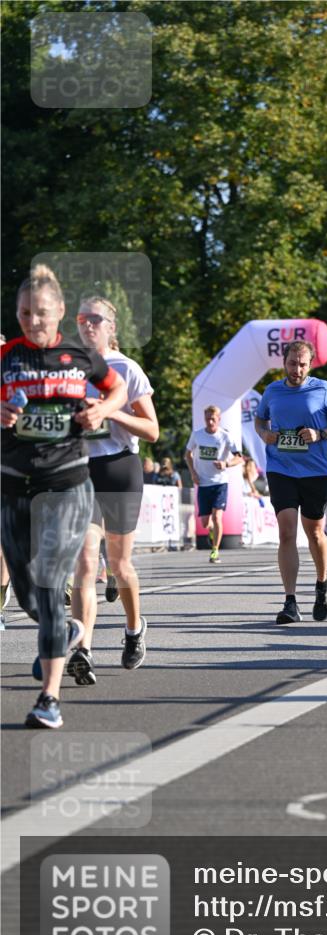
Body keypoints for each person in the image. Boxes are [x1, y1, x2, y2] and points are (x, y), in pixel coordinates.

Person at [1, 266, 127, 727]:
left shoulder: (82, 355)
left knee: (53, 585)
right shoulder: (6, 357)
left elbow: (118, 391)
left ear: (59, 313)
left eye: (42, 313)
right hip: (14, 484)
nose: (33, 321)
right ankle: (70, 629)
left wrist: (101, 409)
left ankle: (48, 699)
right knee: (30, 598)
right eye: (24, 313)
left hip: (67, 483)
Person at [68, 295, 159, 683]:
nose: (88, 325)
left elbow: (152, 430)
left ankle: (134, 628)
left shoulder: (127, 367)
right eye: (82, 318)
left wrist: (109, 411)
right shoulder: (66, 368)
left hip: (120, 467)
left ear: (111, 327)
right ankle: (82, 648)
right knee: (86, 562)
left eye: (96, 319)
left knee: (120, 565)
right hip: (79, 469)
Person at [254, 340, 327, 624]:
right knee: (286, 532)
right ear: (284, 363)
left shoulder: (323, 389)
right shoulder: (272, 391)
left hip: (315, 471)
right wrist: (264, 435)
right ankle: (290, 602)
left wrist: (319, 434)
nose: (297, 369)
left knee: (315, 533)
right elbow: (260, 421)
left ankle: (322, 584)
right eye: (292, 363)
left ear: (311, 365)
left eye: (303, 364)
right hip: (281, 468)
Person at [185, 405, 243, 564]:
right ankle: (212, 531)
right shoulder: (197, 435)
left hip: (220, 482)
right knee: (205, 522)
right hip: (203, 482)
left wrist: (226, 464)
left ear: (219, 419)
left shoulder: (225, 437)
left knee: (217, 516)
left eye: (213, 419)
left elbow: (239, 458)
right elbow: (187, 454)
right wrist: (193, 473)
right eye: (207, 419)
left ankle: (215, 551)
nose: (210, 422)